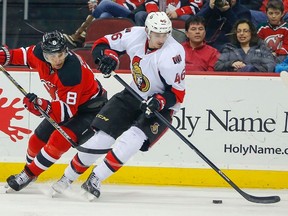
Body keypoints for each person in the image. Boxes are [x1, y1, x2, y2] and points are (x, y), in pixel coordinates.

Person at [51, 12, 186, 200]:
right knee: (101, 138)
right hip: (132, 94)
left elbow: (177, 94)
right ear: (147, 31)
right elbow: (102, 44)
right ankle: (67, 177)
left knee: (133, 139)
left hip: (161, 105)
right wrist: (108, 58)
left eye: (165, 34)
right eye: (157, 34)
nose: (161, 39)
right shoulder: (135, 34)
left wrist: (158, 102)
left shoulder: (174, 54)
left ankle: (95, 179)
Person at [0, 30, 107, 191]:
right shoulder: (37, 53)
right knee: (35, 140)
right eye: (51, 57)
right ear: (44, 54)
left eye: (61, 54)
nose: (57, 60)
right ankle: (29, 171)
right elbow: (20, 55)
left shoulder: (71, 72)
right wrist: (3, 56)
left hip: (91, 110)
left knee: (58, 141)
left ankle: (28, 174)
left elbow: (66, 112)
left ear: (66, 51)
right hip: (66, 105)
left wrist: (40, 105)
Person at [64, 0, 144, 47]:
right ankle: (97, 44)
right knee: (104, 15)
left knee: (105, 3)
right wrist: (95, 5)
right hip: (115, 14)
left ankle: (79, 36)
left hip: (132, 16)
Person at [134, 0, 203, 26]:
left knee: (187, 18)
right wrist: (157, 15)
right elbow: (150, 2)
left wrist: (177, 13)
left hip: (178, 17)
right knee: (140, 15)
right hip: (157, 16)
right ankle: (144, 41)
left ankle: (184, 44)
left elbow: (196, 6)